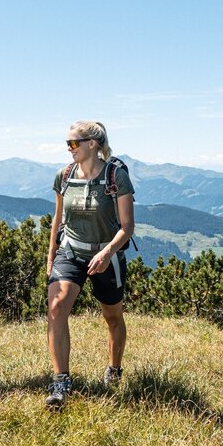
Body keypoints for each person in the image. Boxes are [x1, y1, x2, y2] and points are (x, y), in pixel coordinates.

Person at [44, 120, 134, 409]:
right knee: (56, 308)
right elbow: (57, 220)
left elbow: (127, 227)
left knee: (112, 317)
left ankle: (114, 369)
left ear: (92, 144)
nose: (68, 149)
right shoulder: (64, 175)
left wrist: (107, 253)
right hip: (71, 252)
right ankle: (61, 382)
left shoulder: (115, 177)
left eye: (73, 143)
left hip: (106, 256)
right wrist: (50, 258)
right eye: (67, 144)